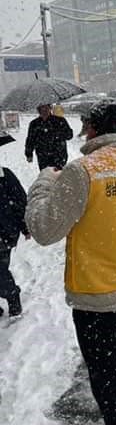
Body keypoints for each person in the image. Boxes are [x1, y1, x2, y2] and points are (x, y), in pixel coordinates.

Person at [26, 99, 116, 425]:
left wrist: (45, 183)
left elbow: (43, 229)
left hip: (96, 300)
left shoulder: (82, 171)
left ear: (91, 131)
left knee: (109, 377)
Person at [0, 134, 29, 317]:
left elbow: (20, 202)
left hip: (3, 233)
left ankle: (12, 295)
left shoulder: (5, 176)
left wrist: (25, 226)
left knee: (0, 270)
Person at [25, 104, 73, 170]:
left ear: (50, 108)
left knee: (59, 177)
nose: (45, 111)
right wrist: (29, 153)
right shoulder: (34, 124)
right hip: (43, 157)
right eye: (42, 109)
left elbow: (69, 135)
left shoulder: (60, 121)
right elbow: (30, 139)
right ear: (39, 110)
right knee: (46, 177)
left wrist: (57, 133)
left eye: (46, 108)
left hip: (59, 156)